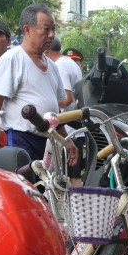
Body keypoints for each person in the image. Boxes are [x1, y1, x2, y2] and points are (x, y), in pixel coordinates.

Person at [0, 4, 78, 163]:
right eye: (46, 29)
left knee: (47, 181)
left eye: (53, 29)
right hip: (20, 142)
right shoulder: (12, 59)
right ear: (27, 30)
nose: (51, 35)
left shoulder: (53, 66)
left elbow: (55, 112)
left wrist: (66, 140)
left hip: (47, 144)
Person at [46, 37, 84, 185]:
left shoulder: (59, 65)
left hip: (68, 131)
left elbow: (67, 99)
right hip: (73, 128)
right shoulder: (69, 62)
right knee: (70, 176)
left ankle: (76, 201)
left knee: (71, 178)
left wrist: (46, 103)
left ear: (46, 50)